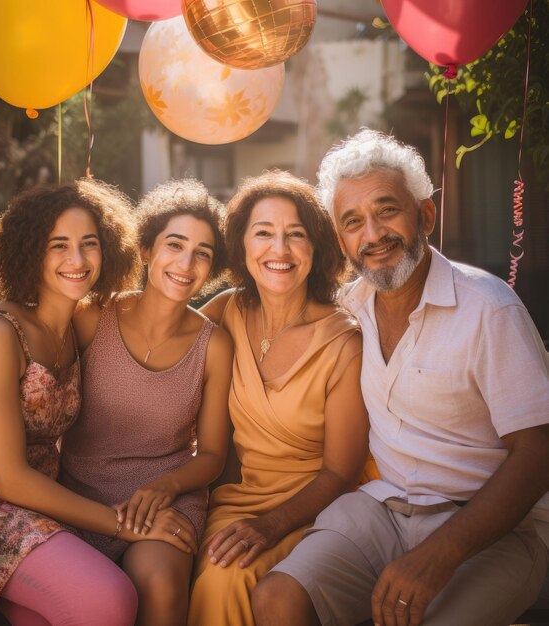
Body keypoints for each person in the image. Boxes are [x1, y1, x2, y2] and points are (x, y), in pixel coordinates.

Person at [252, 129, 549, 626]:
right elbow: (266, 308)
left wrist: (440, 553)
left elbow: (538, 453)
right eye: (353, 222)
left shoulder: (488, 309)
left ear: (425, 215)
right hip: (381, 511)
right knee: (276, 599)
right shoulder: (351, 307)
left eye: (387, 210)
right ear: (341, 238)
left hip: (491, 527)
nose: (372, 235)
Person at [0, 179, 233, 626]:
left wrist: (166, 488)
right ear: (145, 250)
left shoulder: (69, 327)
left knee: (139, 591)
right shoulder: (81, 319)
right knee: (104, 601)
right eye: (59, 245)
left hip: (49, 504)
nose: (77, 259)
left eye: (89, 244)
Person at [187, 170, 375, 626]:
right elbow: (158, 335)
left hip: (313, 507)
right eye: (264, 233)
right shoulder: (227, 310)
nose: (280, 250)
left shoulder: (342, 342)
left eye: (296, 235)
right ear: (242, 245)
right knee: (198, 564)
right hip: (236, 499)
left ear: (317, 248)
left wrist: (270, 526)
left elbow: (340, 471)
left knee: (223, 577)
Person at [58, 179, 233, 626]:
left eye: (203, 253)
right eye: (174, 245)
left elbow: (212, 453)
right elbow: (29, 374)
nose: (186, 263)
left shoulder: (214, 345)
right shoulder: (92, 314)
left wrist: (166, 487)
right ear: (146, 251)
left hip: (165, 499)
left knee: (159, 583)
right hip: (77, 495)